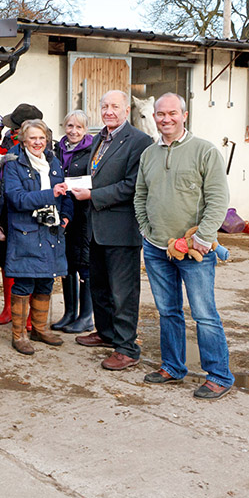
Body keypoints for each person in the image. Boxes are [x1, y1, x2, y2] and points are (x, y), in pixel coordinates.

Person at [135, 93, 234, 399]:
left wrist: (203, 238)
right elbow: (140, 195)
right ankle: (173, 366)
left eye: (172, 113)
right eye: (160, 114)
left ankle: (219, 375)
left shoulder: (204, 151)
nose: (166, 119)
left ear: (185, 115)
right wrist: (146, 230)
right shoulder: (149, 154)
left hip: (195, 249)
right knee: (168, 311)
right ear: (154, 117)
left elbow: (218, 199)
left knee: (204, 314)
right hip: (156, 248)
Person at [71, 90, 154, 371]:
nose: (108, 111)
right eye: (104, 106)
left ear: (126, 110)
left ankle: (127, 348)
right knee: (100, 286)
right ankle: (106, 333)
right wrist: (72, 187)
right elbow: (96, 175)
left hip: (121, 229)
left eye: (114, 107)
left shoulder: (139, 141)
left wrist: (92, 196)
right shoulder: (99, 138)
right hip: (96, 227)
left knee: (123, 292)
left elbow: (132, 186)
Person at [3, 119, 73, 355]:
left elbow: (66, 195)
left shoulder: (53, 163)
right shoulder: (14, 165)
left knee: (46, 280)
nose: (38, 142)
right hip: (26, 231)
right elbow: (16, 198)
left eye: (42, 138)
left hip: (52, 231)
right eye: (32, 138)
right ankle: (19, 334)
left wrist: (65, 217)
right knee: (24, 282)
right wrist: (48, 194)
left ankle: (40, 329)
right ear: (23, 140)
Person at [0, 104, 43, 326]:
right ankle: (8, 308)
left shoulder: (41, 146)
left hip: (29, 211)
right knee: (4, 259)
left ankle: (30, 313)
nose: (9, 131)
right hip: (3, 210)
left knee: (29, 262)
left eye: (14, 127)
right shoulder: (6, 142)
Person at [52, 110, 95, 333]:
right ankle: (69, 313)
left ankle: (86, 316)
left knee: (84, 262)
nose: (73, 131)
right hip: (64, 211)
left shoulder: (92, 150)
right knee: (66, 263)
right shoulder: (57, 149)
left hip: (85, 213)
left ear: (85, 129)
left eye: (79, 127)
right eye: (70, 126)